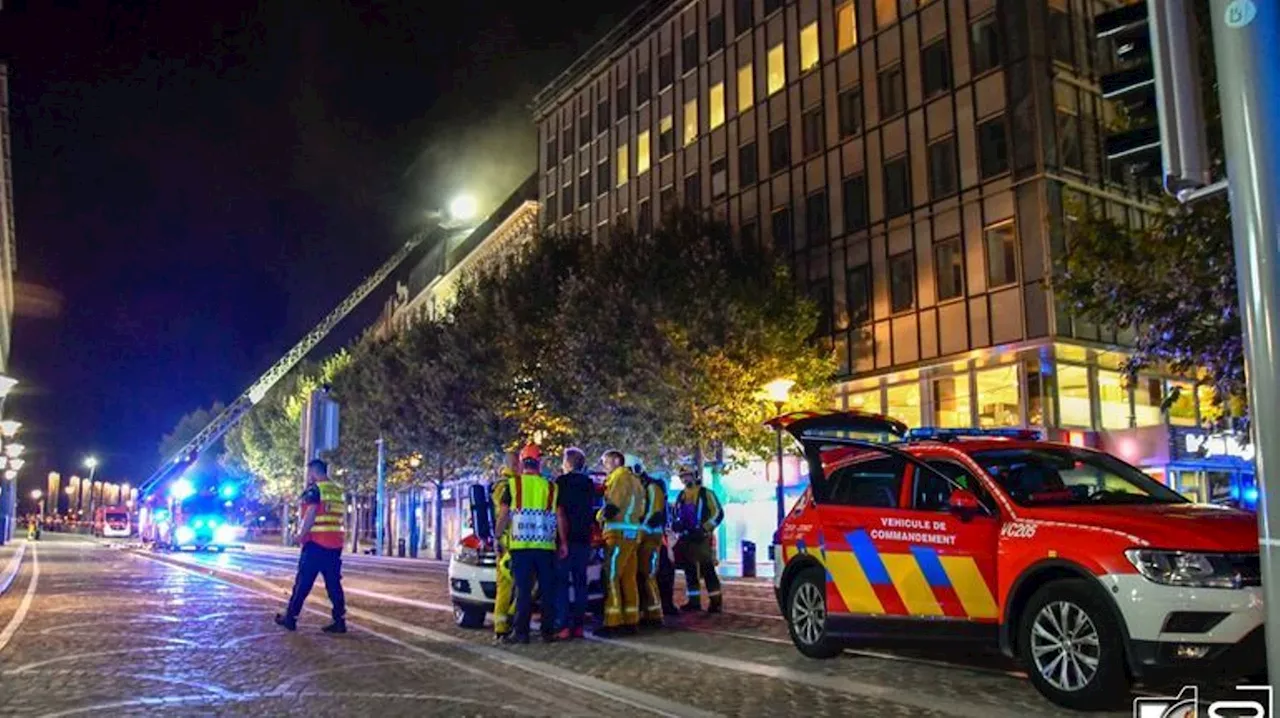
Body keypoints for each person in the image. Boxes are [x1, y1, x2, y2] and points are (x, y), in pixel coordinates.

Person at [494, 444, 559, 644]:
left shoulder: (512, 486)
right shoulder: (551, 487)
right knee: (548, 591)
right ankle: (548, 632)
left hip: (521, 548)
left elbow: (504, 514)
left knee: (523, 591)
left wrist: (496, 536)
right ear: (539, 463)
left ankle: (521, 633)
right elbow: (560, 516)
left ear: (522, 463)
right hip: (546, 548)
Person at [276, 459, 348, 633]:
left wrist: (300, 536)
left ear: (314, 472)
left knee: (303, 583)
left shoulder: (315, 490)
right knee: (334, 585)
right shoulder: (338, 490)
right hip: (335, 544)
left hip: (316, 543)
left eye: (309, 473)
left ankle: (291, 618)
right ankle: (340, 621)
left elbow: (311, 513)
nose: (308, 477)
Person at [596, 450, 645, 637]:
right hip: (633, 534)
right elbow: (640, 509)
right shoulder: (636, 481)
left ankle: (613, 622)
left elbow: (613, 505)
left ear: (616, 460)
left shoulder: (619, 477)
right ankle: (631, 620)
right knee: (628, 579)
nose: (603, 465)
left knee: (611, 577)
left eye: (605, 461)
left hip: (617, 534)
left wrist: (598, 516)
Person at [553, 447, 595, 641]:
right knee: (580, 583)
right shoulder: (588, 483)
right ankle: (578, 626)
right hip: (584, 540)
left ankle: (563, 626)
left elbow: (560, 513)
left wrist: (562, 541)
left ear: (568, 463)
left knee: (561, 584)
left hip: (566, 539)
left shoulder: (561, 483)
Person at [672, 463, 724, 613]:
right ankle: (694, 602)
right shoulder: (681, 495)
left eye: (688, 475)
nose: (685, 479)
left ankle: (716, 602)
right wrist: (677, 525)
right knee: (690, 572)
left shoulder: (706, 493)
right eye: (683, 477)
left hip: (701, 538)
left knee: (707, 570)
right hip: (686, 538)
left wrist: (704, 528)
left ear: (695, 475)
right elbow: (676, 514)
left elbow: (718, 513)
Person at [634, 460, 668, 627]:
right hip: (642, 538)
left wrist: (641, 531)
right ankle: (646, 611)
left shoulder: (652, 488)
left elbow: (654, 514)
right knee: (641, 575)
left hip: (650, 538)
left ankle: (655, 614)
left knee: (648, 574)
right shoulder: (641, 487)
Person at [491, 451, 519, 641]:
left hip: (507, 543)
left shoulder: (499, 485)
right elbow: (504, 514)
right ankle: (506, 620)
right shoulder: (510, 486)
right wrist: (498, 537)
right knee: (526, 585)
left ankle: (501, 624)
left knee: (506, 586)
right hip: (511, 543)